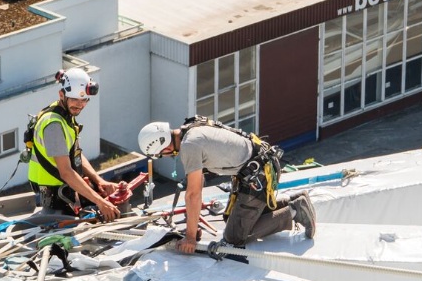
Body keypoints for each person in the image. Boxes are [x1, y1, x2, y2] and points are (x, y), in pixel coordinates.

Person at [138, 118, 314, 254]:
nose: (166, 156)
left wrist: (190, 238)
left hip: (257, 175)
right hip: (256, 166)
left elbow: (193, 194)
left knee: (234, 237)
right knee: (232, 219)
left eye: (161, 154)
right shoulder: (191, 128)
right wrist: (193, 225)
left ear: (164, 147)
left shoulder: (189, 146)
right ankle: (295, 201)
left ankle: (295, 210)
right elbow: (198, 183)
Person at [27, 68, 120, 221]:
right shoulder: (54, 125)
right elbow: (66, 172)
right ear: (61, 95)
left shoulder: (65, 115)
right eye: (75, 99)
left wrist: (99, 181)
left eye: (84, 100)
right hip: (55, 196)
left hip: (65, 190)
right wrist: (101, 202)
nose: (80, 105)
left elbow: (75, 154)